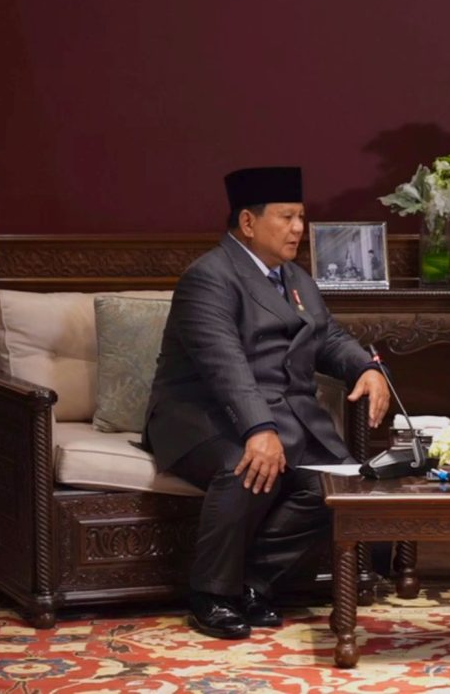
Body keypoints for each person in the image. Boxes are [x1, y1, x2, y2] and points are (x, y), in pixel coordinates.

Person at [143, 166, 389, 639]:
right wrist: (259, 429)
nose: (298, 228)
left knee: (341, 485)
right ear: (248, 222)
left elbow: (328, 337)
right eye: (286, 217)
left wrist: (366, 368)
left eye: (301, 217)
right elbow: (225, 366)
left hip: (285, 415)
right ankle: (211, 596)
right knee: (247, 466)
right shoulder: (209, 277)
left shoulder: (294, 277)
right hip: (200, 415)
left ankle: (253, 583)